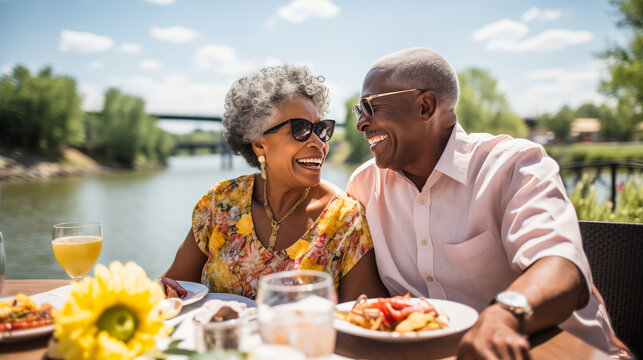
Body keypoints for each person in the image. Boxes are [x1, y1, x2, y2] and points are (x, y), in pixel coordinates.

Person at [346, 48, 631, 359]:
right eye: (358, 112)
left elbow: (562, 267)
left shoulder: (514, 165)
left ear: (425, 106)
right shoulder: (364, 186)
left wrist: (504, 315)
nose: (362, 124)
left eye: (369, 107)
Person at [163, 64, 388, 303]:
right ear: (259, 144)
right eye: (300, 129)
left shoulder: (346, 220)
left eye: (321, 130)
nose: (318, 143)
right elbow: (173, 290)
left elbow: (359, 319)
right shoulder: (220, 203)